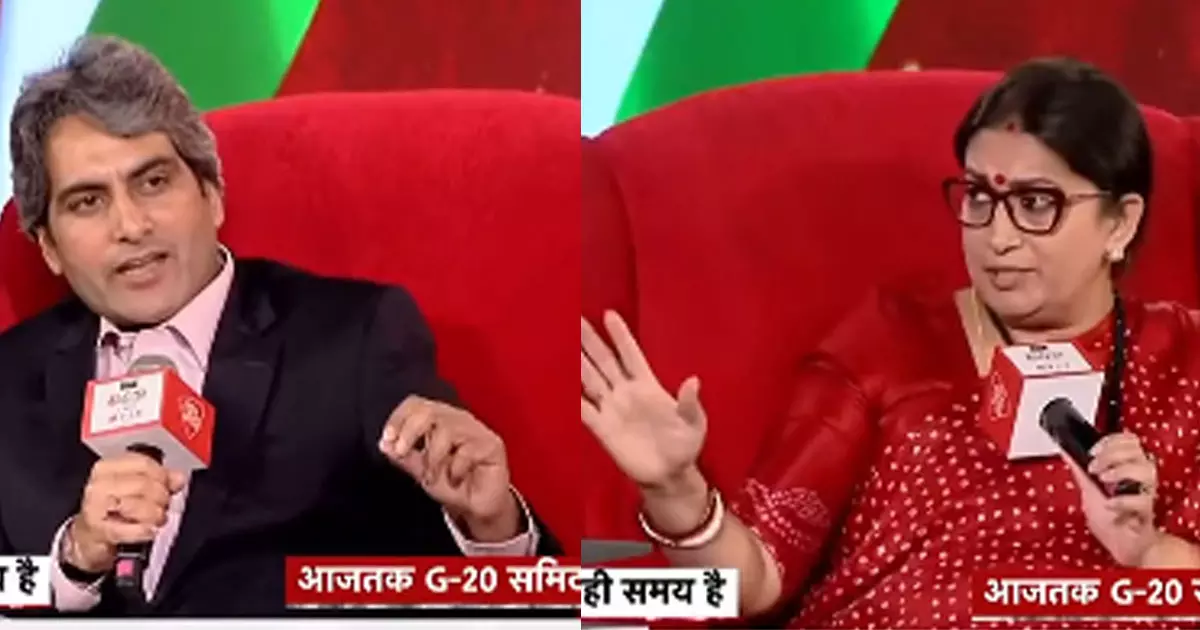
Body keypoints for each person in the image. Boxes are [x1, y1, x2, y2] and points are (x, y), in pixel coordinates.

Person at [580, 58, 1200, 628]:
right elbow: (755, 581)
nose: (998, 237)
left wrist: (1146, 554)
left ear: (1121, 222)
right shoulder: (892, 341)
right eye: (980, 197)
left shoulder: (1186, 360)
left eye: (1036, 204)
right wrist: (675, 487)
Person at [0, 35, 559, 616]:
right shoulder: (9, 379)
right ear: (49, 248)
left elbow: (494, 599)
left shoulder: (352, 340)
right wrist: (73, 561)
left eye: (154, 182)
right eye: (88, 202)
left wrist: (492, 528)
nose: (132, 225)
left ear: (212, 195)